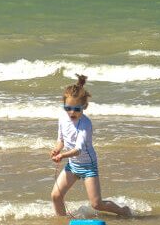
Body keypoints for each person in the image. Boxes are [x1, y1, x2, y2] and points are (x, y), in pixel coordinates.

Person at [50, 74, 133, 217]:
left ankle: (123, 211)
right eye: (68, 108)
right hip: (73, 165)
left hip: (88, 166)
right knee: (56, 196)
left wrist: (62, 155)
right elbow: (61, 140)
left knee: (97, 204)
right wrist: (57, 149)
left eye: (76, 109)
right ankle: (62, 223)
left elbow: (78, 149)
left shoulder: (85, 124)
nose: (72, 112)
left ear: (84, 106)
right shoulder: (62, 118)